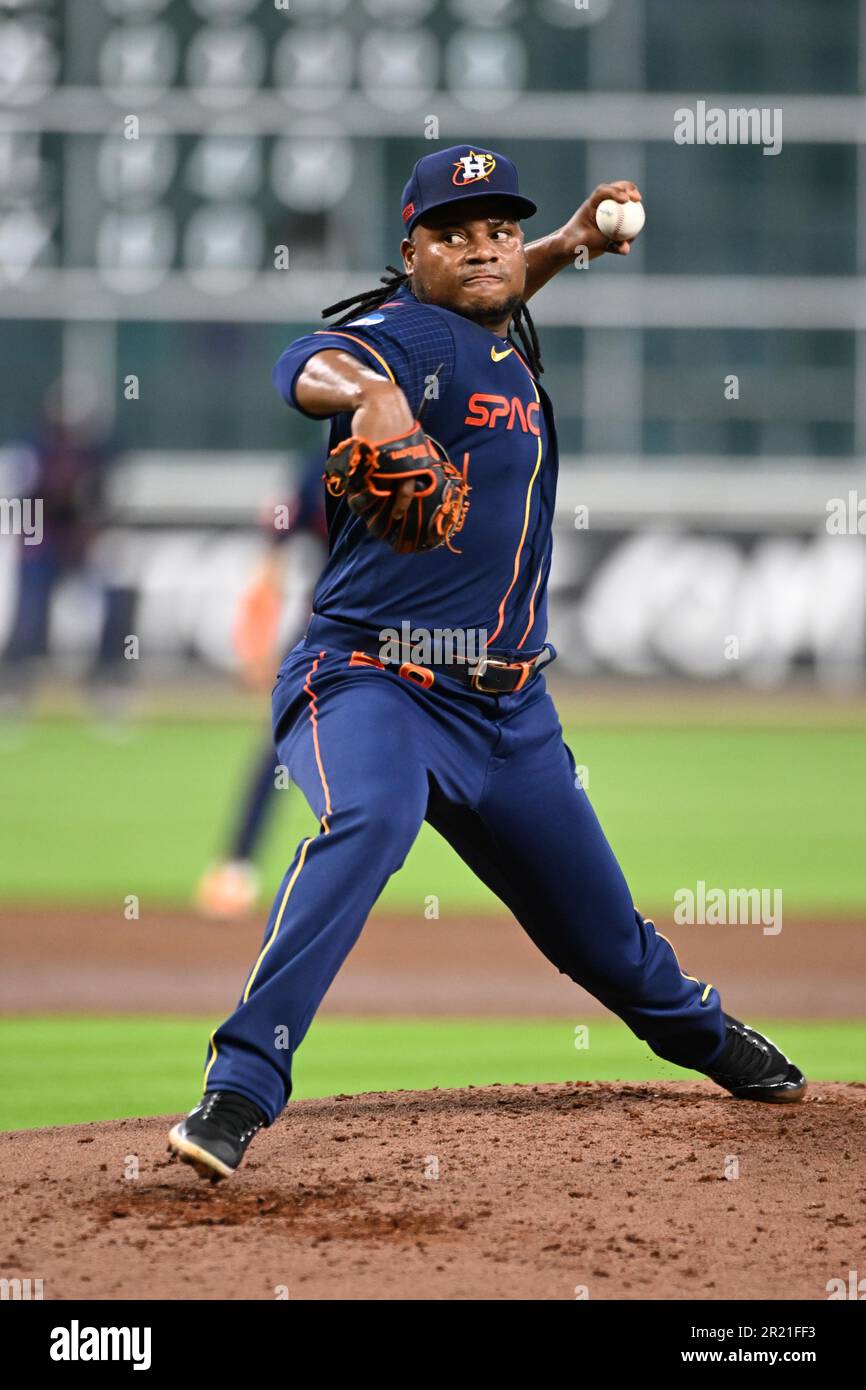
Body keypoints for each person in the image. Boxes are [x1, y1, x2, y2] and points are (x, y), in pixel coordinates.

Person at [168, 144, 805, 1182]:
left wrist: (569, 243)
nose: (481, 249)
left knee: (603, 942)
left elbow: (497, 291)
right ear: (408, 250)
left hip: (510, 717)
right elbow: (306, 360)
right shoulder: (405, 336)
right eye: (453, 233)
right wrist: (365, 401)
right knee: (369, 821)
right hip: (374, 676)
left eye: (499, 231)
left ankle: (700, 1035)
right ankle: (238, 1089)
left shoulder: (493, 335)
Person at [194, 453, 328, 920]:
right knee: (280, 741)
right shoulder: (324, 467)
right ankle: (237, 865)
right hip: (333, 627)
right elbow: (275, 548)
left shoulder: (444, 449)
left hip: (417, 634)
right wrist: (256, 640)